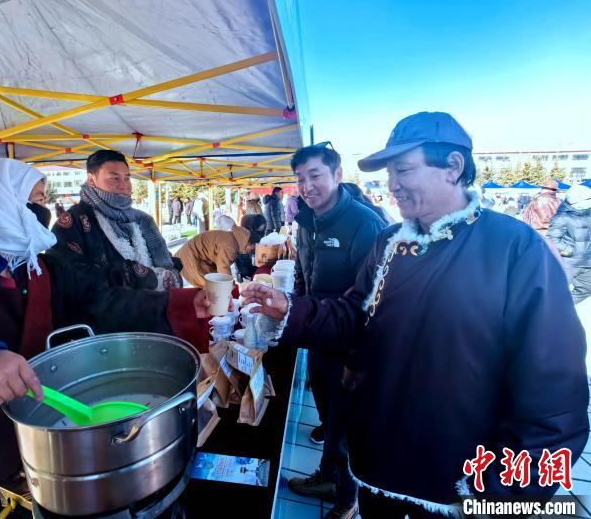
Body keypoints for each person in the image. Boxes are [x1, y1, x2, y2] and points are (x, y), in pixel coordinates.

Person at [242, 112, 588, 518]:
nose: (392, 185)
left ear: (453, 167)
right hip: (379, 461)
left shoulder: (515, 247)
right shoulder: (390, 242)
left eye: (403, 170)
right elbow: (354, 316)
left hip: (457, 481)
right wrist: (292, 310)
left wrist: (499, 496)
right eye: (389, 173)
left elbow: (553, 397)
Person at [0, 159, 217, 519]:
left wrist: (182, 305)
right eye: (32, 200)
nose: (40, 211)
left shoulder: (43, 270)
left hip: (46, 453)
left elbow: (105, 303)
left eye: (42, 200)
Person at [288, 144, 385, 519]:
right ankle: (328, 476)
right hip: (318, 339)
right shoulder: (306, 221)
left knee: (345, 427)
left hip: (349, 346)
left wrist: (358, 359)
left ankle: (347, 498)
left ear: (338, 175)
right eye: (300, 178)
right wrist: (295, 316)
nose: (307, 186)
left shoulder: (364, 224)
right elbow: (303, 273)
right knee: (329, 418)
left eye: (315, 175)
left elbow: (376, 301)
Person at [50, 150, 181, 291]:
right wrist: (149, 278)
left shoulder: (143, 220)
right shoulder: (71, 223)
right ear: (91, 180)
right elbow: (73, 279)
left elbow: (168, 263)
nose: (124, 185)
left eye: (127, 178)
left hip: (160, 302)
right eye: (114, 178)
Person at [178, 225, 260, 288]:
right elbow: (223, 267)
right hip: (190, 257)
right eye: (253, 249)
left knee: (215, 285)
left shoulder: (236, 240)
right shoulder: (230, 246)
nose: (252, 252)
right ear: (249, 243)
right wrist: (231, 286)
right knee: (210, 287)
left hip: (198, 257)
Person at [548, 184, 591, 304]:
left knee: (587, 288)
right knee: (554, 290)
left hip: (588, 262)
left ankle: (562, 306)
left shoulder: (588, 212)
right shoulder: (562, 216)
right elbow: (552, 239)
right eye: (588, 199)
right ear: (575, 201)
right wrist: (570, 250)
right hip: (569, 262)